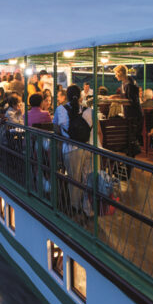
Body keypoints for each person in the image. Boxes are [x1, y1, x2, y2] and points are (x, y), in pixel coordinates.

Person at [53, 85, 95, 217]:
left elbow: (56, 129)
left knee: (74, 180)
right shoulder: (89, 111)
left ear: (67, 96)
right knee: (88, 179)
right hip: (88, 149)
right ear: (81, 96)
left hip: (71, 149)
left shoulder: (60, 109)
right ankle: (88, 208)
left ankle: (75, 207)